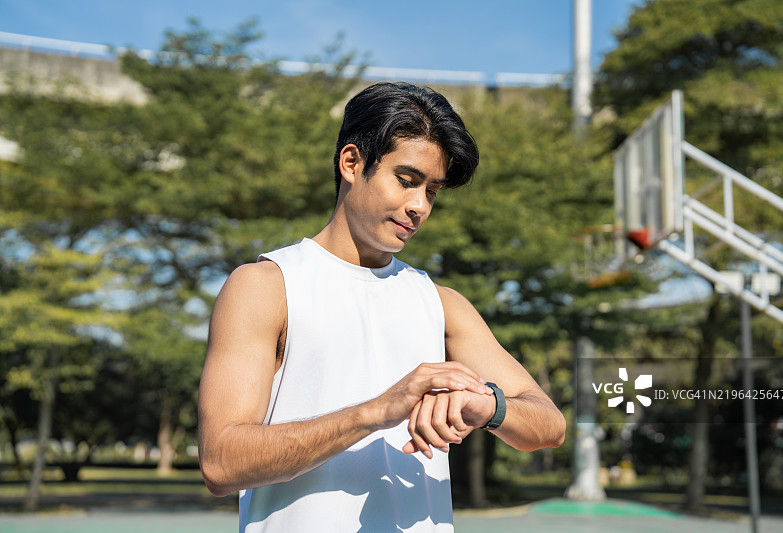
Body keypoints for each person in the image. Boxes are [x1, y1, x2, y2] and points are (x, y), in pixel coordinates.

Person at [198, 82, 565, 532]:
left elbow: (549, 424)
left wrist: (487, 405)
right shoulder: (266, 286)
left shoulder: (442, 303)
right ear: (351, 163)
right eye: (407, 181)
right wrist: (375, 412)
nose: (419, 207)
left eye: (432, 191)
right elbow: (221, 462)